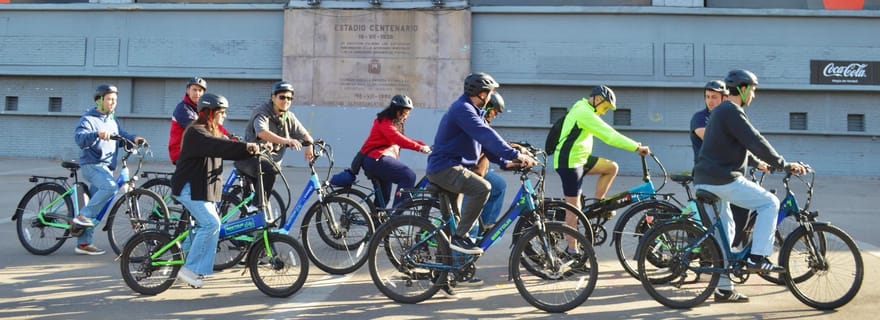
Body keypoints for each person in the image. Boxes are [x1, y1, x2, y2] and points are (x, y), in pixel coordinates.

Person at [693, 69, 806, 303]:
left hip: (709, 178)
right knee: (769, 202)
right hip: (722, 180)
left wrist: (761, 164)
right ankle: (758, 256)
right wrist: (784, 164)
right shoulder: (731, 110)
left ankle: (724, 290)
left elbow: (737, 145)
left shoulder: (723, 112)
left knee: (726, 231)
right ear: (743, 89)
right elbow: (755, 140)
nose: (754, 96)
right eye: (753, 91)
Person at [427, 72, 535, 298]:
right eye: (491, 93)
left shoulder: (472, 111)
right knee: (483, 188)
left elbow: (485, 148)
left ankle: (445, 276)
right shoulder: (463, 110)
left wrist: (510, 162)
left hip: (453, 168)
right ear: (482, 94)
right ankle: (462, 238)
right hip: (445, 168)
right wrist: (515, 152)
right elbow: (486, 135)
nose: (492, 97)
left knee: (452, 223)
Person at [171, 93, 259, 288]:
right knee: (211, 224)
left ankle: (177, 262)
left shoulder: (211, 131)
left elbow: (227, 143)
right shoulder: (197, 132)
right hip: (188, 187)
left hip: (200, 188)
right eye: (222, 112)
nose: (224, 116)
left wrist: (256, 147)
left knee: (200, 228)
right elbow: (220, 147)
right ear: (209, 112)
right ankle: (190, 269)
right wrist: (246, 148)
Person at [551, 85, 650, 252]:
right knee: (573, 210)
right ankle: (572, 250)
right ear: (597, 99)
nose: (605, 112)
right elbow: (609, 135)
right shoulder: (584, 112)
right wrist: (635, 147)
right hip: (569, 162)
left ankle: (596, 208)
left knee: (611, 167)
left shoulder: (586, 109)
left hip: (581, 159)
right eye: (605, 107)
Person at [690, 80, 766, 248]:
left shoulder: (726, 117)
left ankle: (727, 253)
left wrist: (757, 162)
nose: (710, 101)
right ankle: (720, 254)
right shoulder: (700, 118)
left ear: (724, 98)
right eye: (707, 97)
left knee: (732, 219)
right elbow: (717, 141)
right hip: (711, 175)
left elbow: (738, 144)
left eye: (714, 97)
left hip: (725, 175)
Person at [73, 84, 146, 255]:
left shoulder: (112, 119)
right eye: (109, 99)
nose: (113, 103)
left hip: (106, 167)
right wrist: (97, 134)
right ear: (99, 100)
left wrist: (135, 138)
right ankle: (81, 216)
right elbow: (80, 138)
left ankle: (83, 244)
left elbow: (121, 134)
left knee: (96, 204)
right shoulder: (89, 119)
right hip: (92, 165)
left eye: (115, 100)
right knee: (111, 187)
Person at [235, 81, 314, 211]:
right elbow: (262, 132)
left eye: (289, 98)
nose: (286, 101)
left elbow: (305, 134)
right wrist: (287, 141)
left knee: (268, 179)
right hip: (249, 157)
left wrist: (310, 145)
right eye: (282, 97)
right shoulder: (262, 112)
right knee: (270, 172)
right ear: (273, 97)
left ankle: (256, 213)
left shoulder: (289, 116)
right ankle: (255, 207)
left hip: (267, 161)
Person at [358, 94, 431, 208]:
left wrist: (424, 145)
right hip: (375, 160)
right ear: (397, 111)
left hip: (379, 160)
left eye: (408, 113)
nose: (406, 116)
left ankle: (377, 223)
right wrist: (419, 148)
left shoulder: (393, 123)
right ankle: (397, 218)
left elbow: (404, 139)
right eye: (405, 113)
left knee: (384, 198)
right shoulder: (384, 123)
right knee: (408, 176)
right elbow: (398, 139)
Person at [168, 77, 231, 164]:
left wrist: (230, 137)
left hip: (194, 151)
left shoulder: (202, 109)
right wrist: (222, 138)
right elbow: (200, 129)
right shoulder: (183, 109)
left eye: (200, 90)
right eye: (194, 89)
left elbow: (213, 125)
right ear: (188, 90)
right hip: (181, 152)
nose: (197, 93)